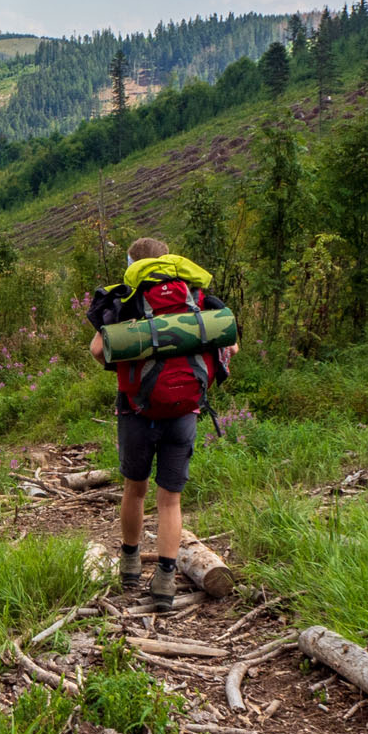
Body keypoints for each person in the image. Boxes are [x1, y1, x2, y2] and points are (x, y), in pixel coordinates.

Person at [87, 238, 233, 611]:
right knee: (170, 500)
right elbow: (230, 344)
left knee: (135, 489)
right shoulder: (196, 297)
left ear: (133, 263)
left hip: (137, 409)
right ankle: (166, 581)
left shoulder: (128, 299)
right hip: (186, 410)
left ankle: (131, 565)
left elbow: (98, 350)